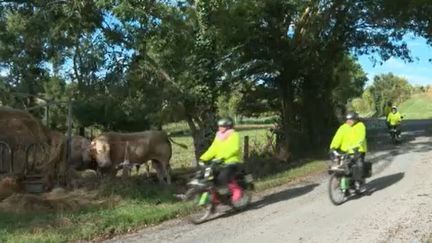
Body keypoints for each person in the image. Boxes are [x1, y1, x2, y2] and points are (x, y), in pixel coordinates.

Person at [199, 117, 243, 205]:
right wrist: (203, 158)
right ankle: (216, 196)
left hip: (232, 161)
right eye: (219, 126)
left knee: (223, 177)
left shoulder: (234, 135)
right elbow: (213, 149)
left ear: (228, 126)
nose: (220, 128)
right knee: (210, 177)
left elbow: (235, 148)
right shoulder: (218, 136)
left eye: (222, 126)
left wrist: (223, 157)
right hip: (220, 162)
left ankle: (237, 190)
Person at [330, 112, 367, 192]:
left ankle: (360, 183)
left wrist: (357, 146)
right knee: (344, 167)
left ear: (355, 120)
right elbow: (337, 138)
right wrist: (332, 147)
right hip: (346, 151)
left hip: (358, 150)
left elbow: (361, 137)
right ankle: (346, 185)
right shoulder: (343, 128)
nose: (349, 121)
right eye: (347, 120)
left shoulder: (360, 126)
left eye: (351, 120)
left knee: (359, 166)